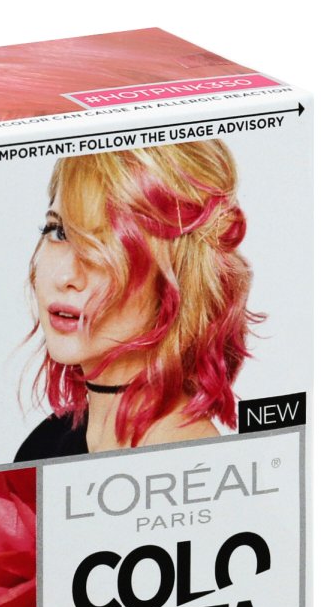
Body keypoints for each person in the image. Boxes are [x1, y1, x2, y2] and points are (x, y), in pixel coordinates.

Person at [16, 140, 260, 462]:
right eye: (59, 232)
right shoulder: (49, 441)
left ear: (177, 279)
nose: (65, 276)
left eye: (108, 245)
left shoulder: (185, 461)